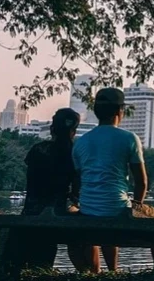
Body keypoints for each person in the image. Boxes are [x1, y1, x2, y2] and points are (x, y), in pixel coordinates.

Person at [71, 87, 154, 272]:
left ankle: (110, 271)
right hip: (118, 209)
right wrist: (137, 207)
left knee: (105, 212)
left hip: (88, 210)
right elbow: (142, 182)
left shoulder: (80, 142)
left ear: (96, 111)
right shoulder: (129, 138)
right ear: (120, 111)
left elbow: (79, 181)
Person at [21, 108, 93, 271]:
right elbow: (77, 190)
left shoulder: (37, 149)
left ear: (52, 129)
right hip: (59, 210)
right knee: (85, 224)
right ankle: (88, 271)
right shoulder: (74, 153)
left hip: (31, 210)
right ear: (73, 131)